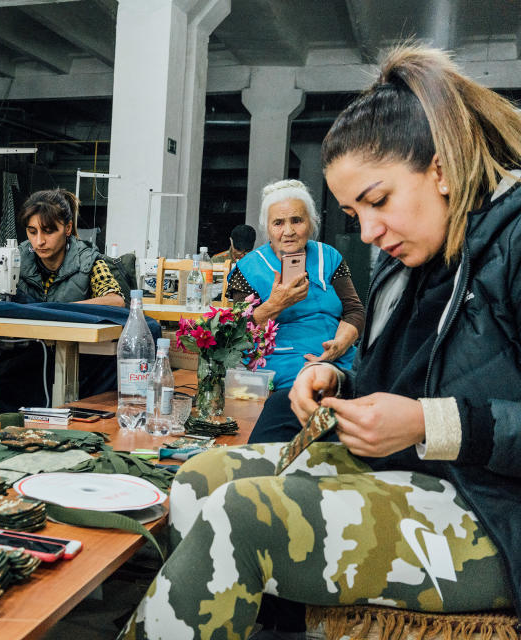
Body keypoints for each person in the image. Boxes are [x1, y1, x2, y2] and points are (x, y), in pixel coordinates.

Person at [121, 44, 521, 640]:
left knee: (242, 517)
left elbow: (436, 407)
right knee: (197, 477)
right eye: (353, 212)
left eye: (378, 200)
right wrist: (343, 382)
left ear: (441, 168)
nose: (369, 231)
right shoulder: (404, 262)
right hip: (405, 471)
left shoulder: (511, 244)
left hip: (492, 512)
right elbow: (414, 382)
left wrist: (425, 424)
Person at [227, 179, 364, 394]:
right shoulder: (248, 268)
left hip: (339, 356)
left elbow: (354, 311)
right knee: (310, 396)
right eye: (278, 223)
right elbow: (238, 332)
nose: (288, 231)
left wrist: (339, 345)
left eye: (297, 220)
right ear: (267, 228)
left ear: (311, 222)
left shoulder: (329, 256)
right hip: (282, 362)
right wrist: (275, 305)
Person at [0, 188, 125, 306]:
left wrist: (58, 310)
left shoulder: (88, 261)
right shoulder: (16, 259)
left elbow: (116, 301)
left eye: (49, 231)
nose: (39, 241)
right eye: (32, 232)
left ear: (68, 228)